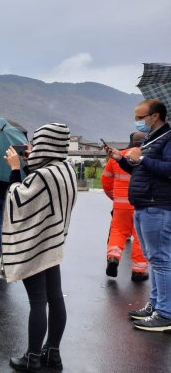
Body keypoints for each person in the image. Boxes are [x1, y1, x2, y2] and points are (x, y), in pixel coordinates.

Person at [2, 123, 77, 372]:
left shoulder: (43, 176)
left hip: (35, 245)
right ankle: (52, 354)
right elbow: (39, 193)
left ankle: (32, 358)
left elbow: (17, 199)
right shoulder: (65, 170)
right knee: (55, 297)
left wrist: (15, 170)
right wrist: (27, 164)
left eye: (36, 142)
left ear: (46, 143)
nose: (32, 147)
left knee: (37, 301)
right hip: (53, 243)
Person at [105, 99, 171, 332]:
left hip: (158, 205)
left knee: (161, 260)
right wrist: (122, 159)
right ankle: (155, 306)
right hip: (143, 205)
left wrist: (141, 157)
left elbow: (168, 169)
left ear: (154, 116)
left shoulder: (168, 138)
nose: (138, 122)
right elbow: (139, 169)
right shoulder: (152, 138)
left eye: (140, 117)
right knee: (154, 259)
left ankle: (165, 313)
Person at [100, 132, 149, 281]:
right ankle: (138, 270)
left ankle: (113, 257)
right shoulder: (146, 157)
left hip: (120, 203)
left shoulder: (117, 157)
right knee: (141, 236)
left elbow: (105, 180)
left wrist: (114, 197)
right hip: (141, 203)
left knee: (118, 231)